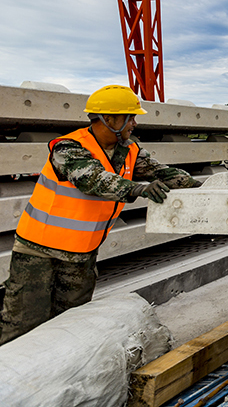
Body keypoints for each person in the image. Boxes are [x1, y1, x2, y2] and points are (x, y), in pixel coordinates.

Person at [0, 85, 203, 346]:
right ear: (110, 119)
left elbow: (165, 174)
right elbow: (93, 180)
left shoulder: (129, 151)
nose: (134, 124)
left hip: (81, 257)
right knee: (21, 327)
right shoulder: (68, 148)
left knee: (69, 327)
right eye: (130, 117)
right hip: (39, 253)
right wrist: (138, 189)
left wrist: (208, 189)